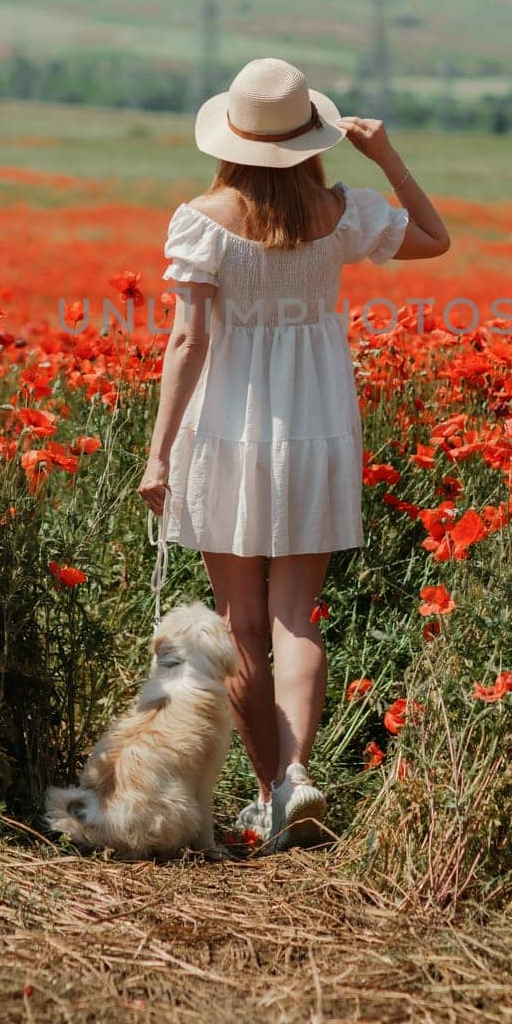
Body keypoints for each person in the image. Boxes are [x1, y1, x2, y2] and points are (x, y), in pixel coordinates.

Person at [138, 57, 450, 850]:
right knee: (293, 616)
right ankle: (300, 778)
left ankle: (272, 790)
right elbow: (433, 240)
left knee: (242, 623)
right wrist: (386, 157)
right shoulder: (343, 213)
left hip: (227, 428)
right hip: (317, 421)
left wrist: (158, 454)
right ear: (310, 137)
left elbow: (187, 339)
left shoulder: (202, 219)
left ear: (232, 138)